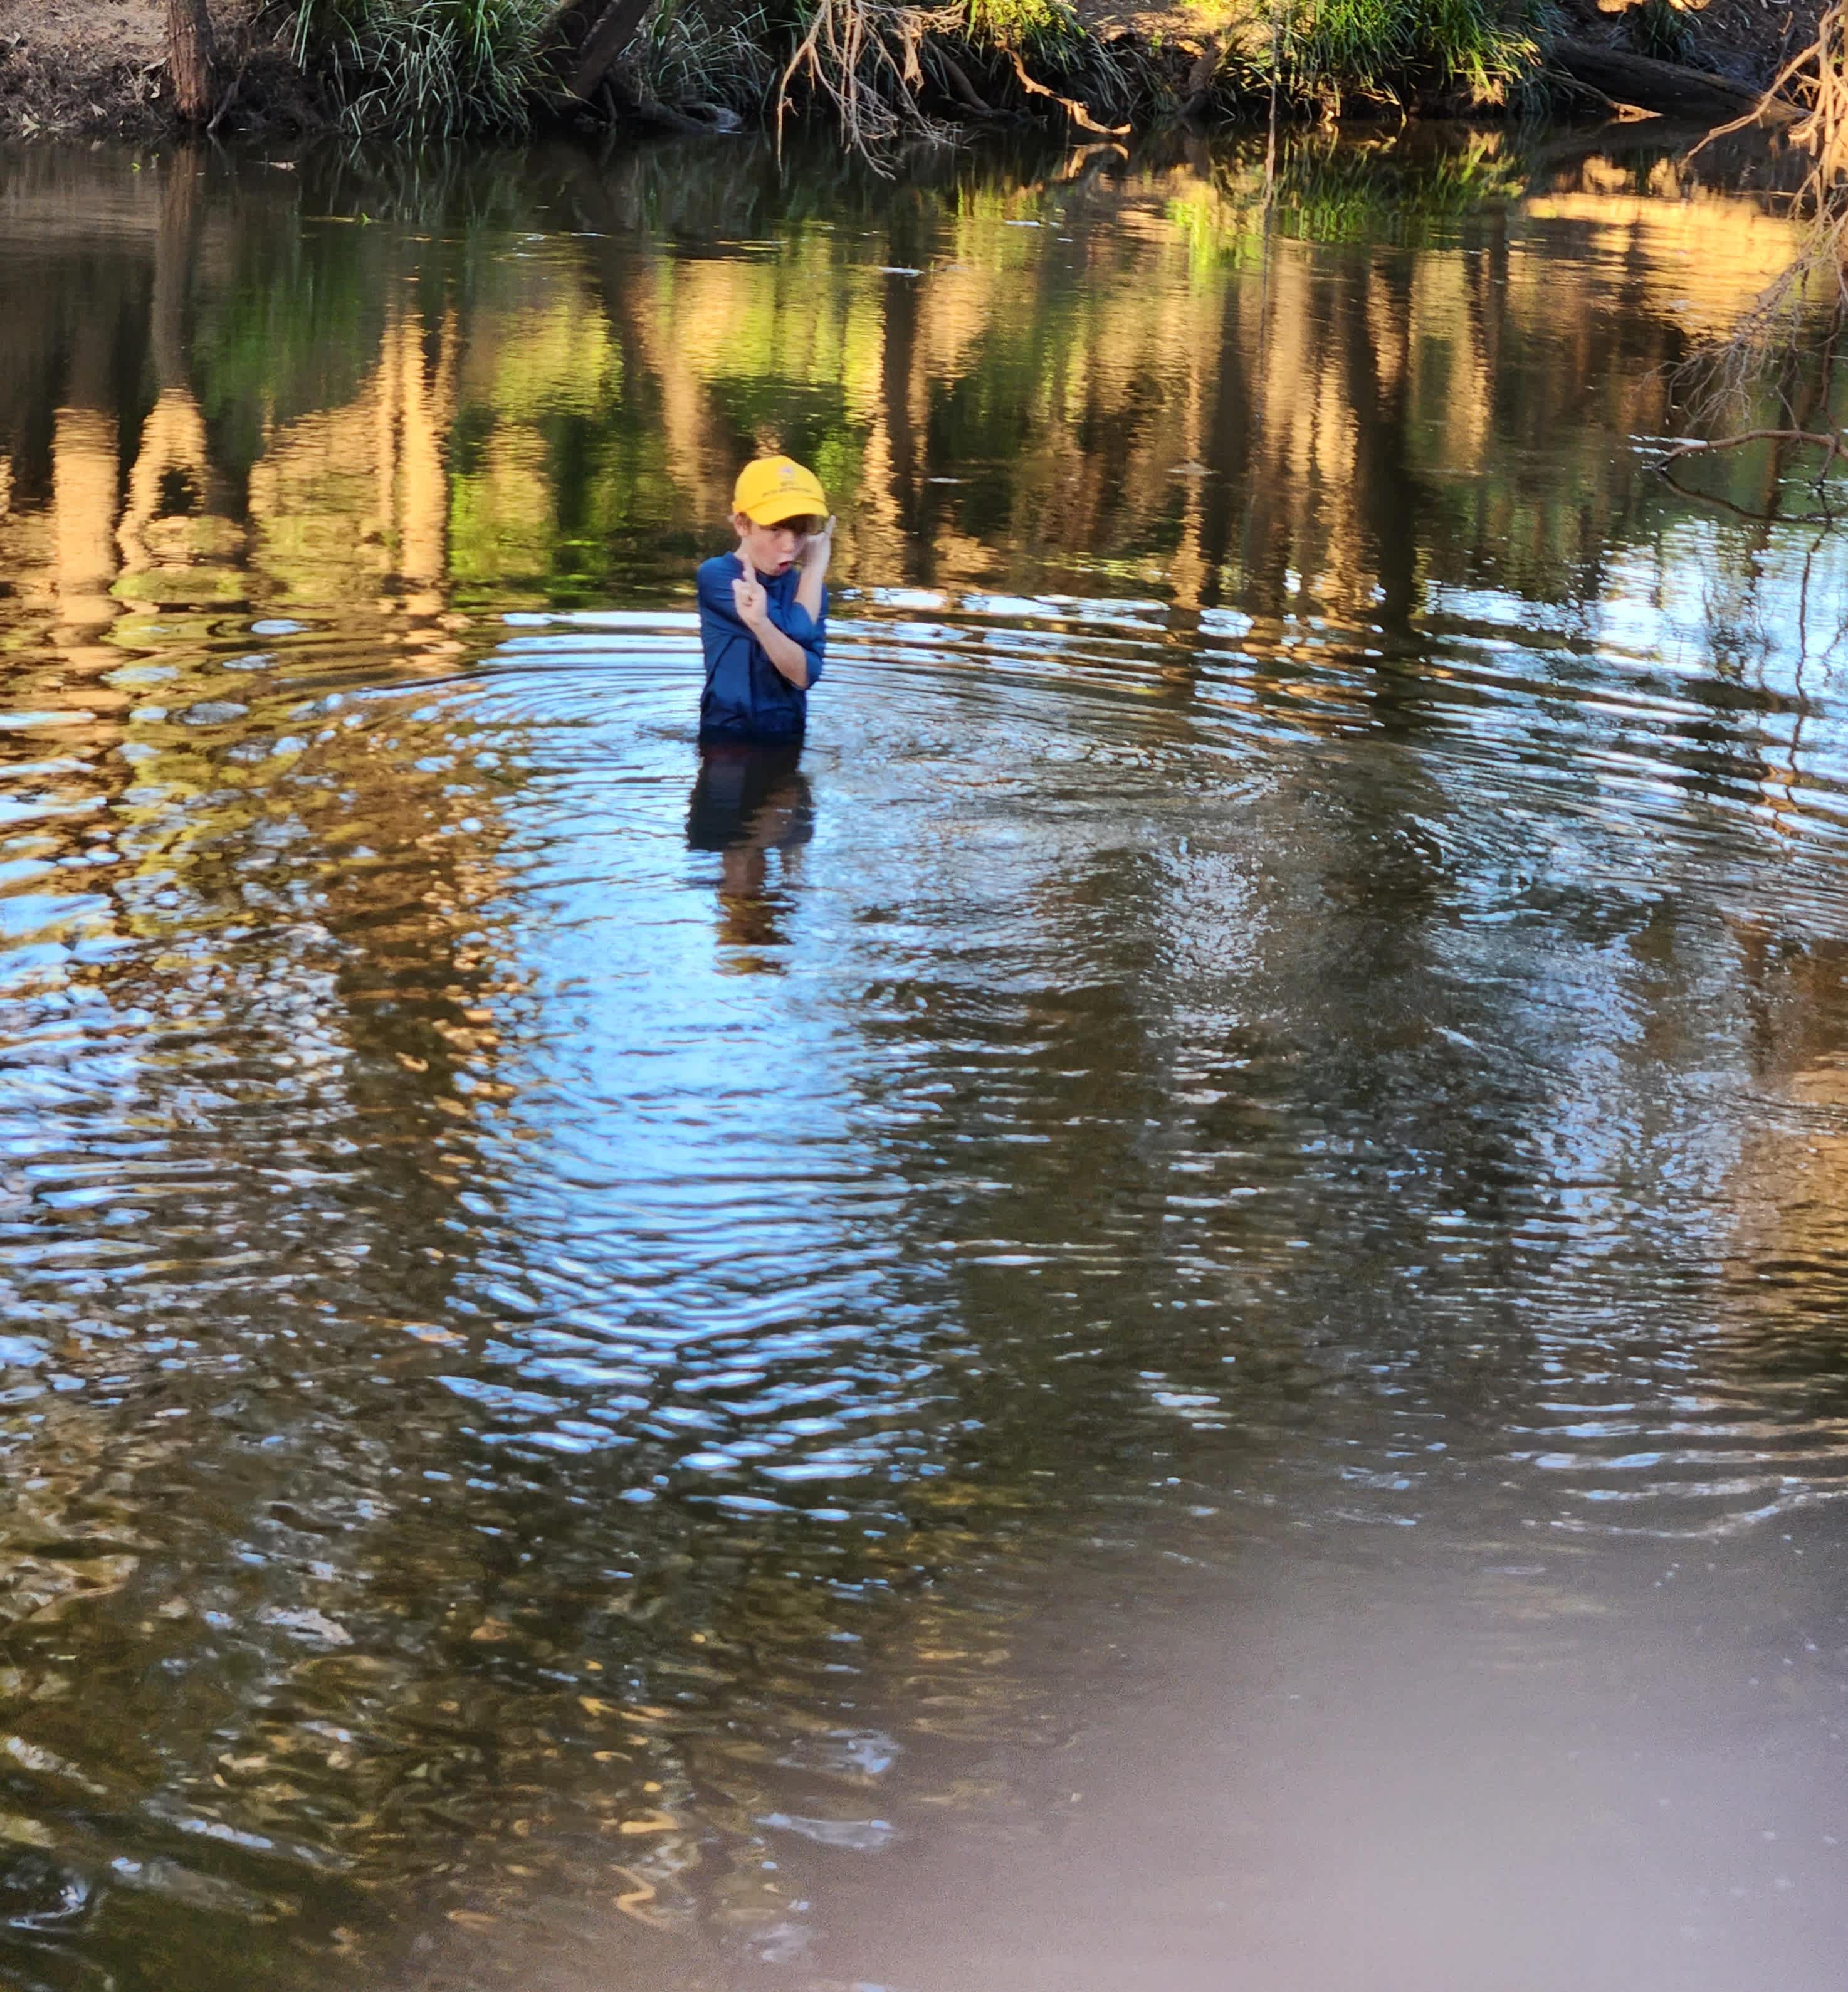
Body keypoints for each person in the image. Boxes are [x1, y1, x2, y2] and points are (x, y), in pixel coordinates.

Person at [695, 456, 835, 743]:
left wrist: (762, 623)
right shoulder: (720, 577)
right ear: (742, 524)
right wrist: (813, 570)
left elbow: (805, 675)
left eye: (800, 531)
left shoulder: (810, 589)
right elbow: (797, 629)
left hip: (788, 734)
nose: (789, 545)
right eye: (775, 530)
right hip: (725, 737)